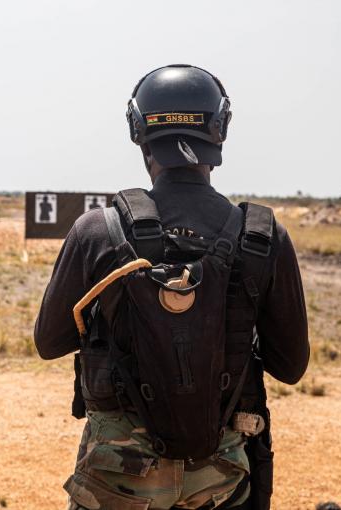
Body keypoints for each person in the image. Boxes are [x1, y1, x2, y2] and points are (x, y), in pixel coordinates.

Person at [34, 65, 309, 510]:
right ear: (219, 131)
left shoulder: (96, 232)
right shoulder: (262, 238)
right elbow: (290, 366)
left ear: (138, 131)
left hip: (116, 478)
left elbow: (49, 343)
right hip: (220, 480)